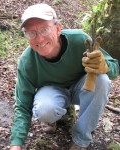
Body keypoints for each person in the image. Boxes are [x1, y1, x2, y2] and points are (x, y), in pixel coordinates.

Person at [10, 3, 119, 150]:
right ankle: (55, 116)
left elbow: (115, 67)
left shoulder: (80, 40)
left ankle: (81, 139)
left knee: (102, 80)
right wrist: (16, 143)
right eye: (31, 33)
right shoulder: (27, 61)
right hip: (51, 92)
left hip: (81, 89)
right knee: (45, 109)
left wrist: (105, 66)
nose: (39, 39)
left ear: (58, 28)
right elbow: (22, 105)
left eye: (44, 29)